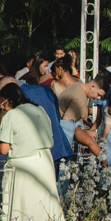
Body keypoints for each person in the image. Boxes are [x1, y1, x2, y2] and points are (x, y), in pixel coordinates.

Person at [0, 82, 65, 221]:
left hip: (23, 168)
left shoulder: (11, 115)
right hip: (45, 163)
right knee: (45, 206)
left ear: (11, 100)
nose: (1, 108)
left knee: (22, 211)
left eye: (2, 104)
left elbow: (4, 149)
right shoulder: (40, 110)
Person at [21, 62, 75, 193]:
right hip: (61, 147)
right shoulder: (47, 91)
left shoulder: (23, 94)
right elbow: (56, 116)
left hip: (46, 151)